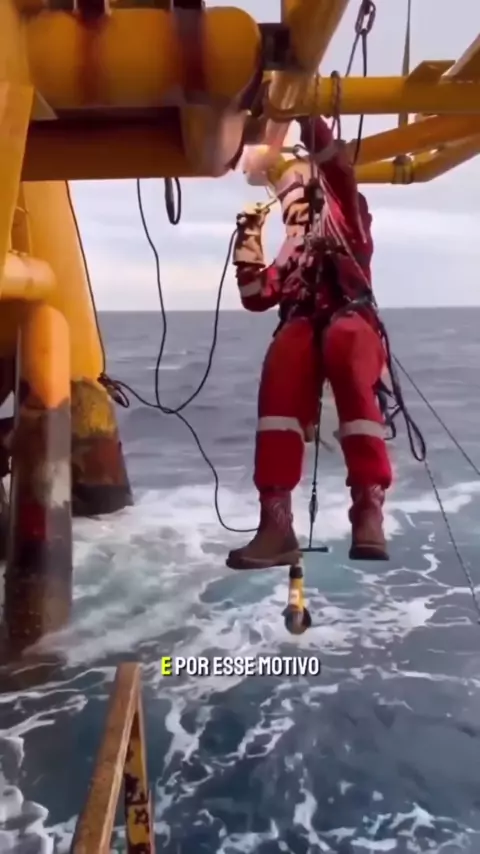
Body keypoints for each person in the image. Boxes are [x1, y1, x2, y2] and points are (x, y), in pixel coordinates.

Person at [227, 115, 392, 571]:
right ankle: (275, 522)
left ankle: (368, 506)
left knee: (344, 340)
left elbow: (339, 171)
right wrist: (248, 238)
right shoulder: (291, 252)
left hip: (350, 321)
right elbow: (256, 297)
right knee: (285, 358)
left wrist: (307, 117)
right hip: (302, 323)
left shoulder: (349, 226)